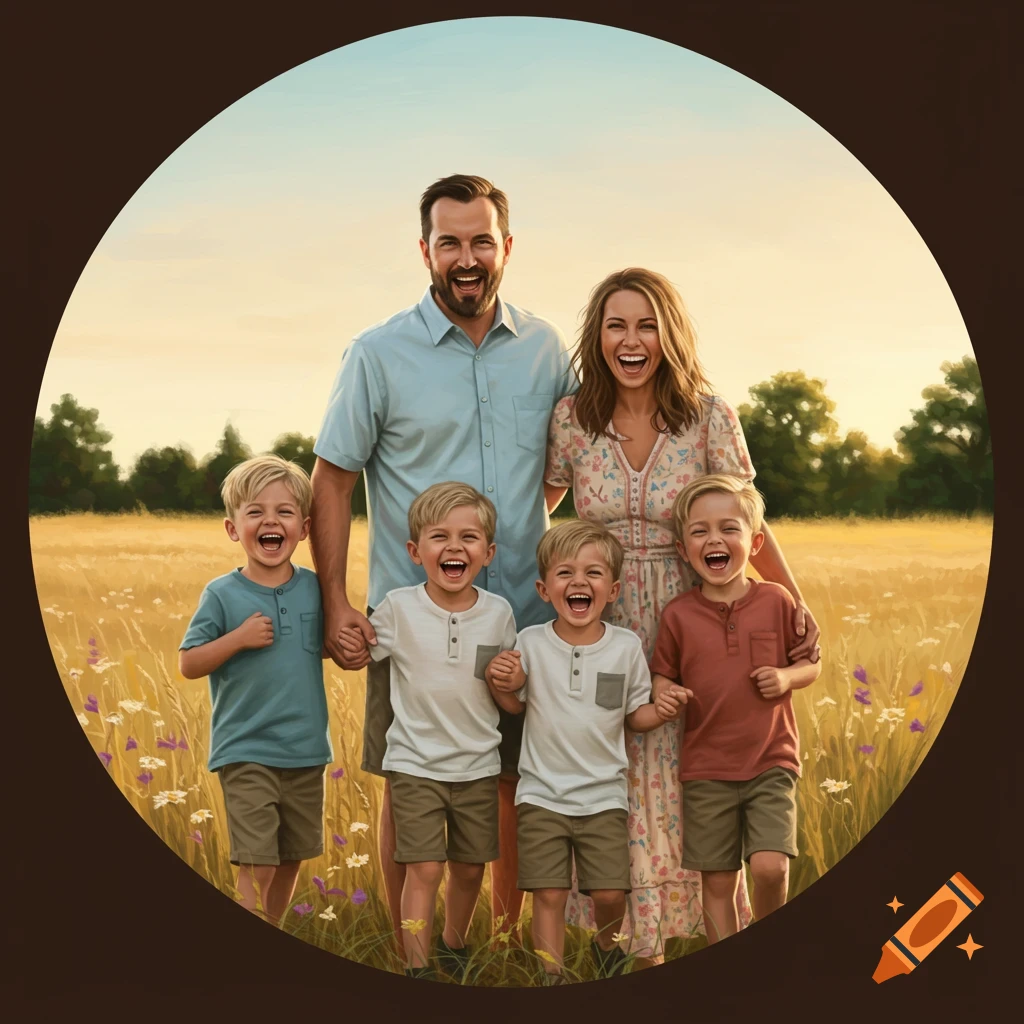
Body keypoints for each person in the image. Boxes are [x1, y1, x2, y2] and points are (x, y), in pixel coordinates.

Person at [309, 174, 575, 948]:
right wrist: (335, 604)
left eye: (481, 240)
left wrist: (528, 540)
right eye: (450, 241)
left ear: (506, 248)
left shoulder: (545, 348)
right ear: (425, 250)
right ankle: (410, 949)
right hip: (410, 621)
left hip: (525, 620)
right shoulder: (377, 353)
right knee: (414, 784)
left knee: (514, 783)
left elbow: (560, 464)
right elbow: (333, 474)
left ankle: (491, 944)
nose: (467, 256)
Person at [543, 267, 821, 964]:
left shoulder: (709, 414)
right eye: (616, 325)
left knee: (684, 775)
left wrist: (795, 608)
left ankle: (693, 946)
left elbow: (750, 524)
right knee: (614, 770)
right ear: (597, 336)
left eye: (646, 325)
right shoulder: (573, 419)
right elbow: (537, 512)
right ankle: (628, 951)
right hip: (600, 622)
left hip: (694, 620)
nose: (631, 341)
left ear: (670, 335)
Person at [487, 520, 685, 984]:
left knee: (612, 895)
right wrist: (503, 686)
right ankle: (551, 979)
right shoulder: (532, 643)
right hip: (541, 796)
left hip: (603, 797)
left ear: (613, 589)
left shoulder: (626, 646)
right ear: (544, 588)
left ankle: (606, 951)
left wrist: (663, 710)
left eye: (593, 573)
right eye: (565, 573)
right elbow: (515, 706)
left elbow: (634, 716)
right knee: (549, 895)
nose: (579, 582)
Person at [338, 482, 519, 980]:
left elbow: (506, 693)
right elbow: (360, 654)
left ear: (489, 552)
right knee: (424, 867)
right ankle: (415, 966)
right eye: (440, 537)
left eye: (469, 537)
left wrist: (513, 683)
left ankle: (453, 945)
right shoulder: (397, 608)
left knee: (467, 867)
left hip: (478, 764)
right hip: (414, 764)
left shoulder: (500, 614)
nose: (455, 547)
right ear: (417, 552)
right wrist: (346, 643)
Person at [651, 474, 821, 942]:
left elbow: (809, 664)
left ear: (755, 541)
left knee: (769, 866)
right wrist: (665, 692)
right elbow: (664, 672)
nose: (715, 539)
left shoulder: (776, 600)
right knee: (719, 879)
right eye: (699, 531)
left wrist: (786, 677)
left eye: (729, 528)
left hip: (771, 760)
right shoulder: (678, 615)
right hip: (706, 768)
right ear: (684, 552)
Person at [178, 455, 331, 926]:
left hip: (306, 751)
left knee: (291, 857)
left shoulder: (317, 589)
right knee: (257, 859)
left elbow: (328, 645)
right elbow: (189, 662)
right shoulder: (222, 594)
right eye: (255, 511)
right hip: (246, 749)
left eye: (284, 512)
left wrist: (351, 643)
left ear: (304, 528)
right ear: (232, 528)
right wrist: (237, 639)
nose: (270, 521)